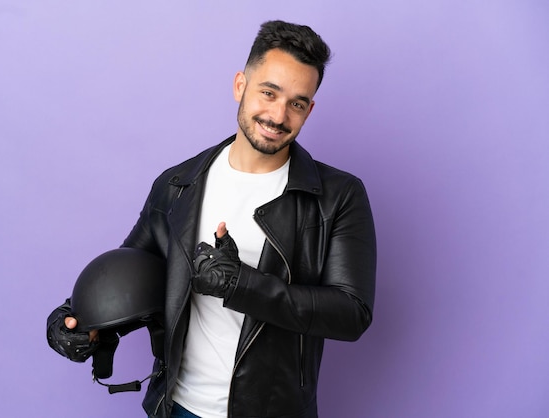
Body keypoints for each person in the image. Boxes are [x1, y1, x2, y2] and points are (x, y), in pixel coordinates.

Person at [47, 20, 376, 418]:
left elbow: (351, 312)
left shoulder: (338, 196)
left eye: (297, 103)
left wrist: (243, 284)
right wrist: (79, 318)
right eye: (268, 93)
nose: (278, 115)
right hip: (177, 407)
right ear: (241, 85)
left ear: (310, 109)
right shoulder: (176, 185)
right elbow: (131, 274)